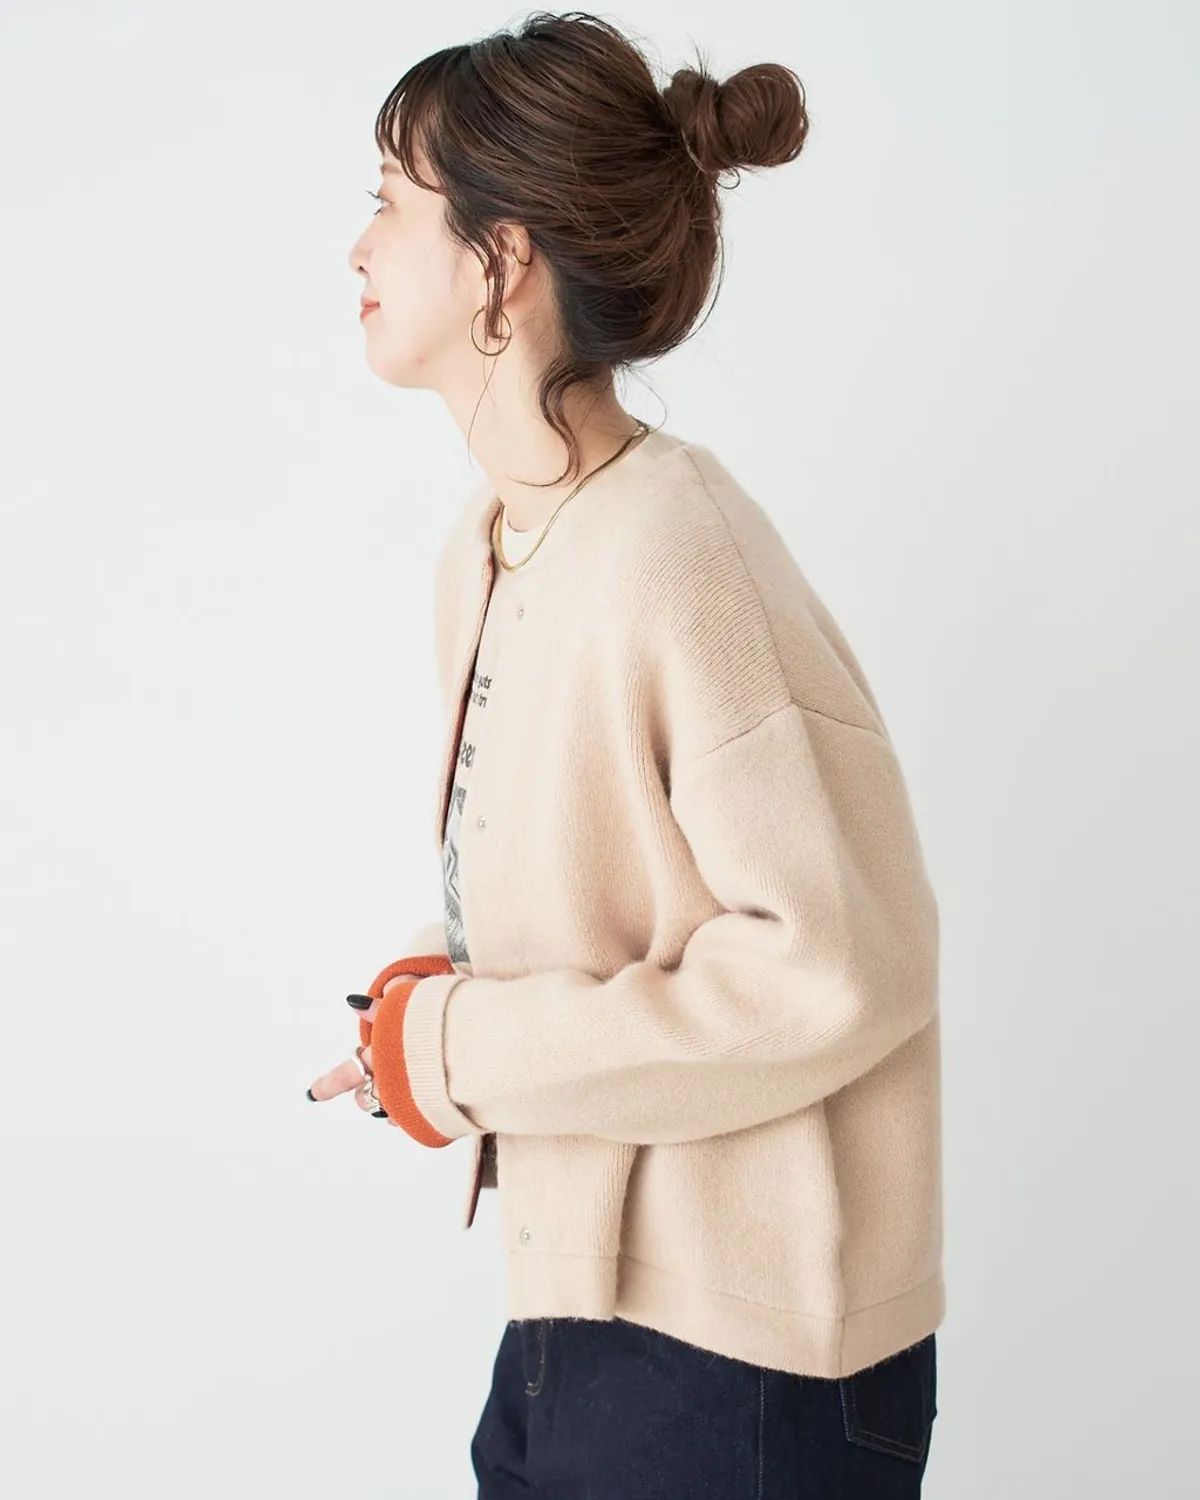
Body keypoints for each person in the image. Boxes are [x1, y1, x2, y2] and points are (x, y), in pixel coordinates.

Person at [308, 11, 942, 1496]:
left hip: (748, 1356)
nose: (357, 247)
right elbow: (629, 899)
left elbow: (841, 961)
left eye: (391, 202)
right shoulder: (493, 545)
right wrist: (426, 997)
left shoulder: (678, 555)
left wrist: (459, 1050)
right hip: (580, 1313)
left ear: (501, 260)